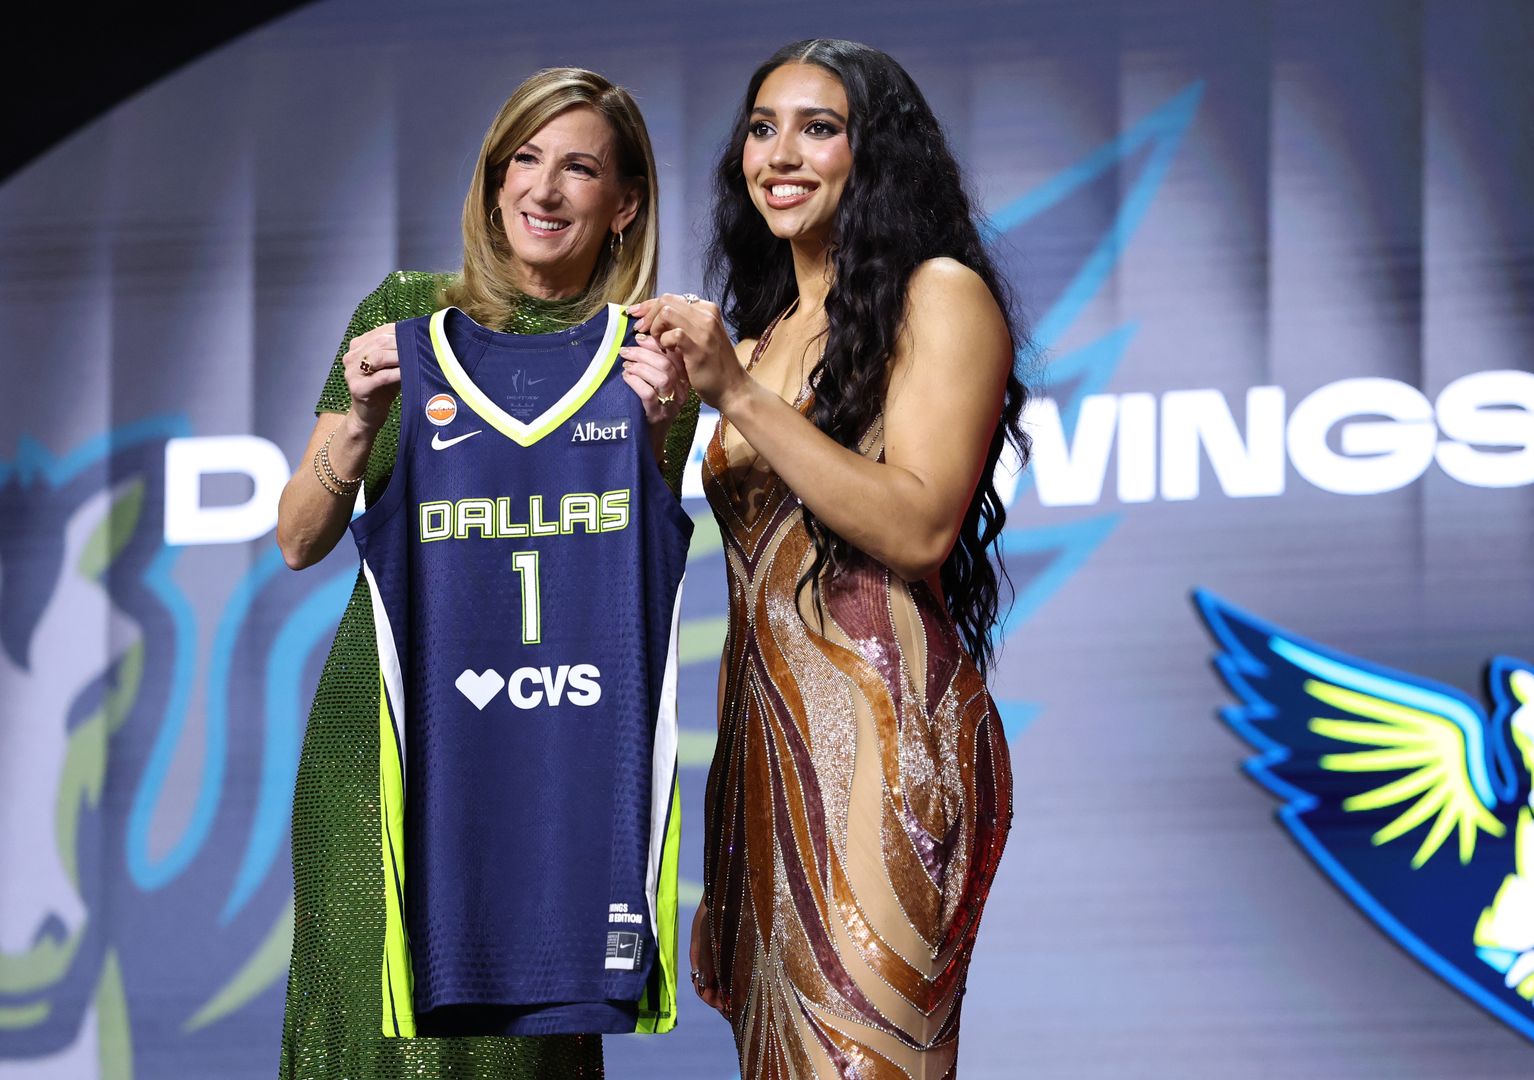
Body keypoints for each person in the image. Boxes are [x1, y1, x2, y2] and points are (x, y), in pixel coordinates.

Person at [274, 67, 695, 1079]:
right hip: (387, 746)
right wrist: (358, 423)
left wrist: (659, 424)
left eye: (578, 167)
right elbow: (296, 539)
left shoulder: (647, 357)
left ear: (624, 203)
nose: (543, 189)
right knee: (373, 1035)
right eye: (524, 160)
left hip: (554, 753)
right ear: (495, 179)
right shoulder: (405, 313)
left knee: (522, 1041)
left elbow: (631, 576)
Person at [634, 38, 1027, 1079]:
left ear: (877, 153)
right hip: (768, 768)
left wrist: (736, 397)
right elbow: (750, 612)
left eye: (818, 128)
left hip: (886, 746)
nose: (780, 154)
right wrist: (723, 841)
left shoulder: (938, 293)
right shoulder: (761, 337)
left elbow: (920, 525)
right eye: (762, 129)